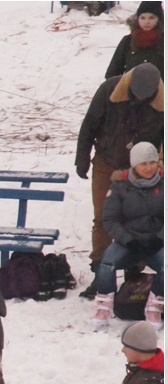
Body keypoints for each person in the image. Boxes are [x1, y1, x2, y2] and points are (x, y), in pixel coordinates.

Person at [75, 62, 164, 294]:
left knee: (141, 219)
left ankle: (134, 271)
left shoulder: (162, 104)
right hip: (107, 163)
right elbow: (89, 125)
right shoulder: (109, 90)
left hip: (142, 169)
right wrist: (82, 158)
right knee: (103, 218)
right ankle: (100, 272)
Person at [91, 142, 164, 329]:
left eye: (152, 162)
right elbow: (109, 220)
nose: (149, 168)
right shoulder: (120, 186)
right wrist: (128, 240)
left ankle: (155, 303)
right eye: (143, 163)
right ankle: (104, 303)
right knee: (107, 263)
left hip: (157, 241)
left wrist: (160, 238)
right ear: (134, 165)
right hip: (129, 241)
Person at [105, 2, 163, 79]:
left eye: (151, 18)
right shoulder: (127, 41)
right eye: (142, 18)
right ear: (137, 18)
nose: (146, 22)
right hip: (131, 89)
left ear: (159, 19)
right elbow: (112, 72)